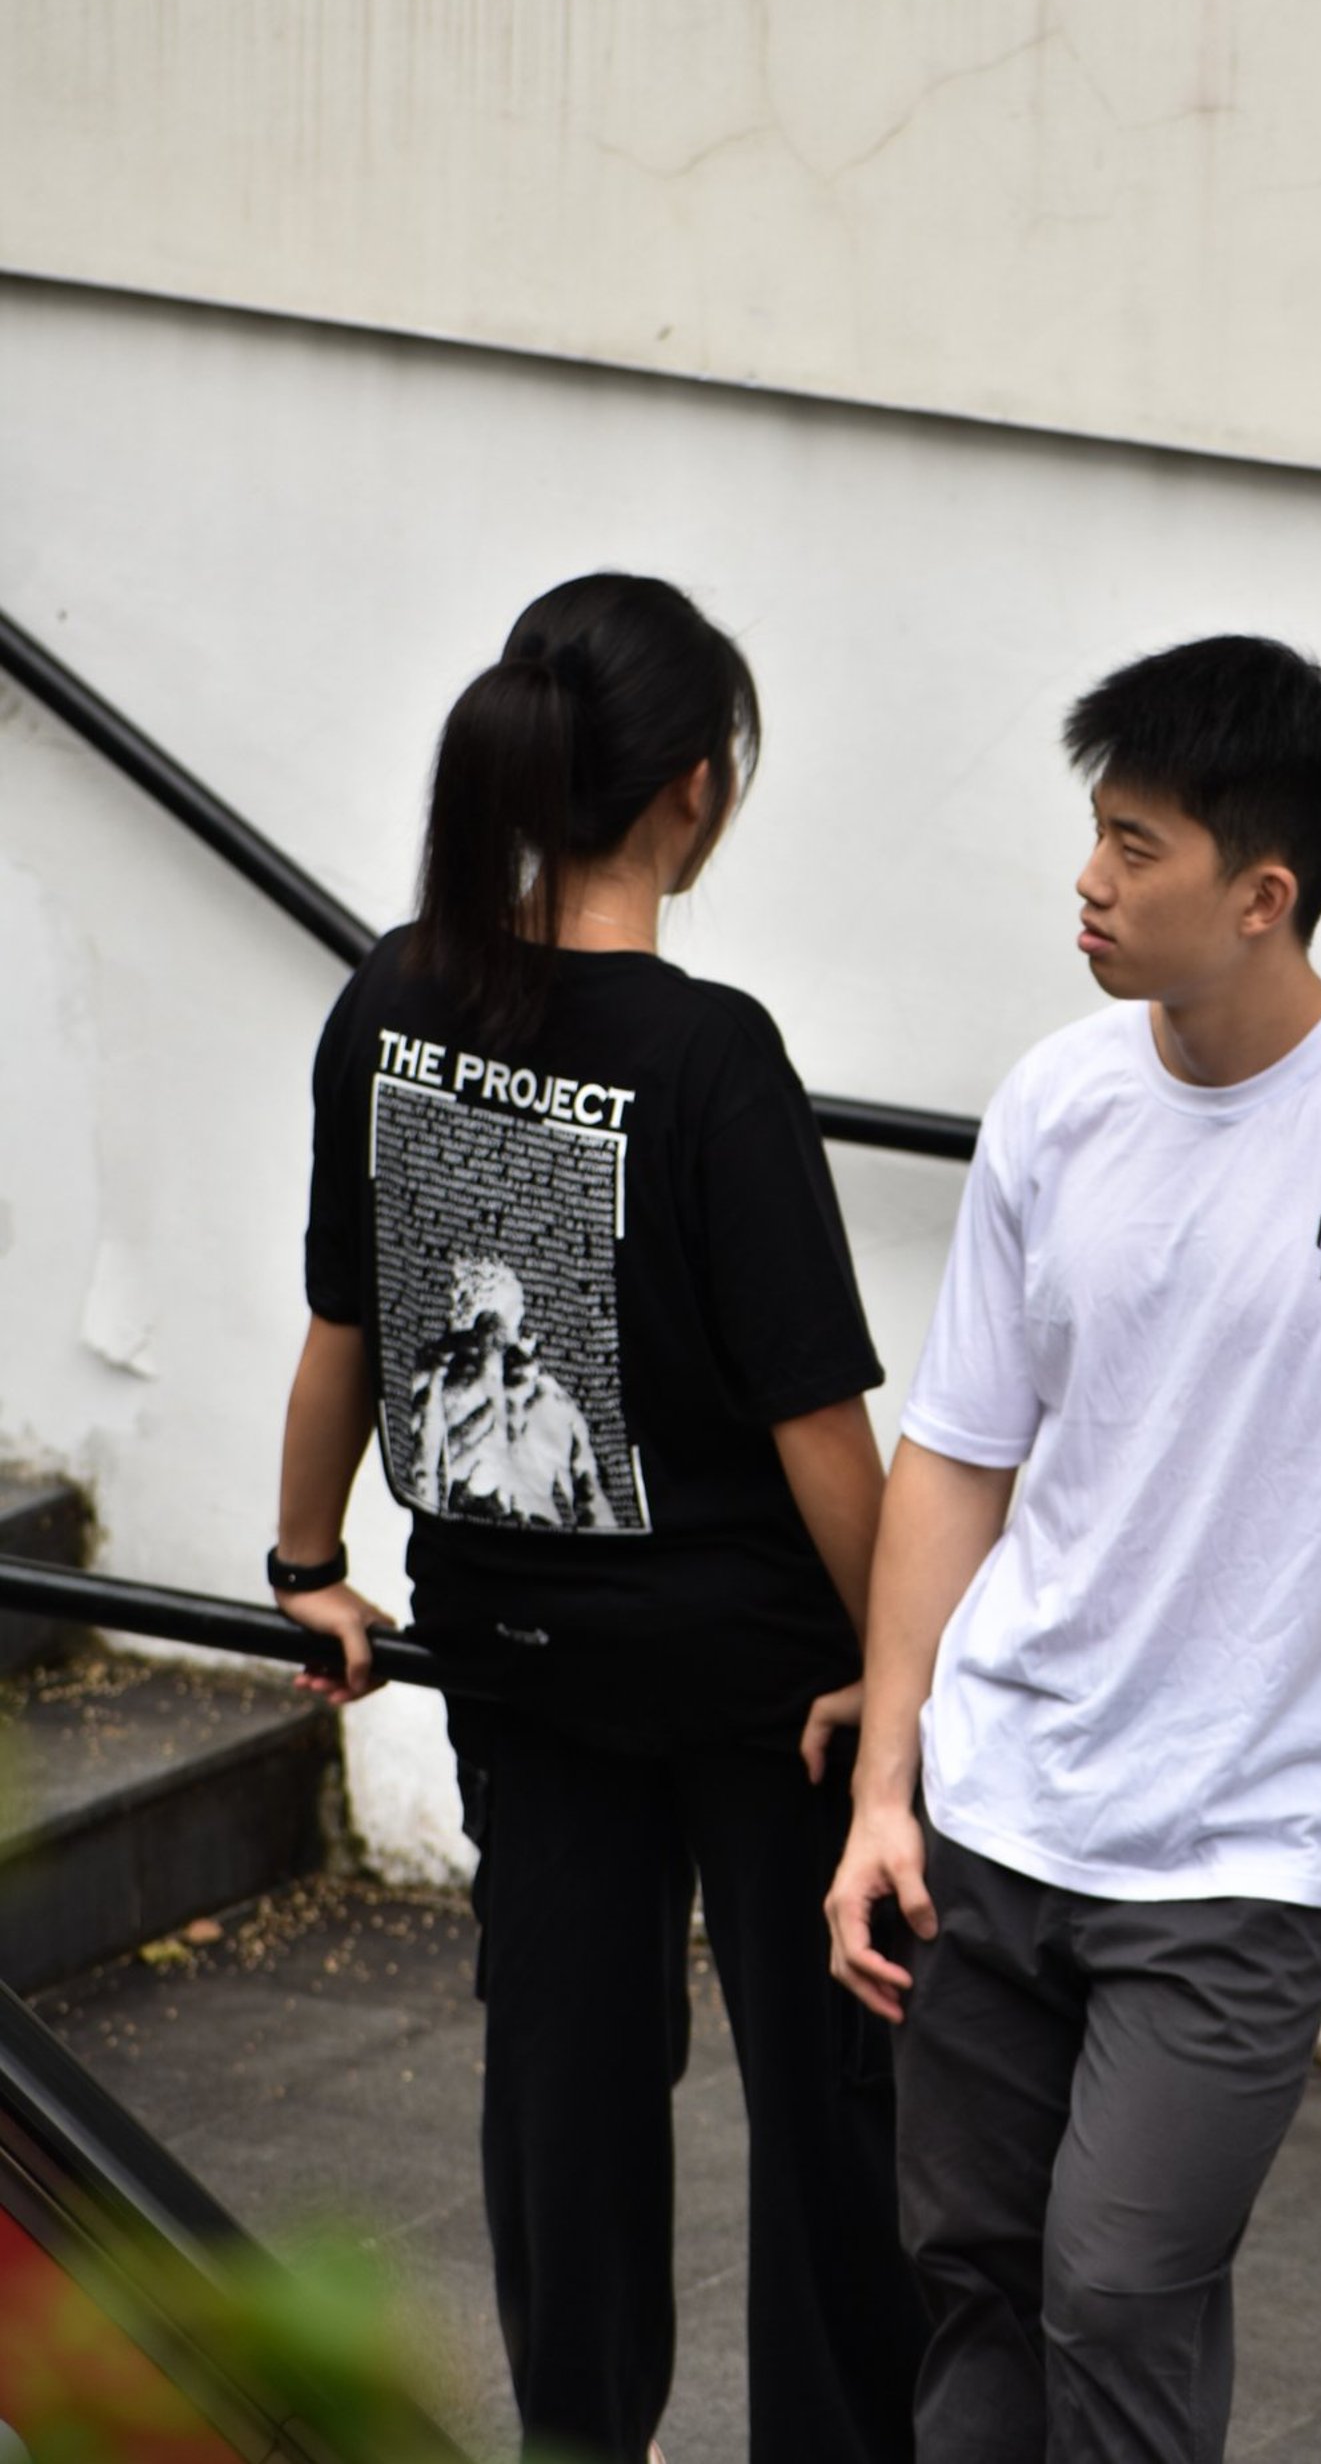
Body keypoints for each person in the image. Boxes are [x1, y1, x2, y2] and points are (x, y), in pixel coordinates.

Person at [826, 632, 1321, 2464]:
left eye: (1136, 843)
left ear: (1263, 894)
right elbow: (954, 1452)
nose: (1089, 880)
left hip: (1239, 1860)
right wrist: (891, 1783)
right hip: (997, 1804)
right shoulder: (1059, 1099)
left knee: (1115, 2290)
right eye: (1095, 833)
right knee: (969, 2269)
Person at [271, 573, 925, 2464]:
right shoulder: (712, 1055)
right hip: (754, 1677)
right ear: (695, 793)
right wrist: (902, 1685)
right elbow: (822, 1433)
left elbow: (342, 1330)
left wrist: (310, 1566)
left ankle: (582, 2440)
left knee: (567, 2085)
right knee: (824, 2100)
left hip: (510, 1647)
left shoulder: (391, 995)